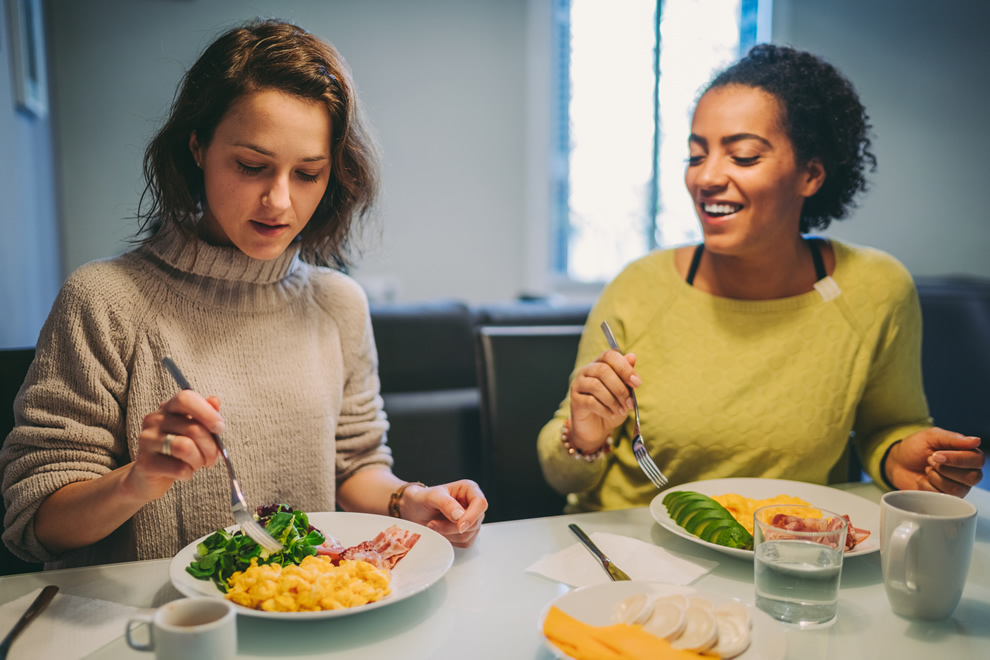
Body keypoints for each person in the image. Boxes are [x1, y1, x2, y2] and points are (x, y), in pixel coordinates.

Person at [0, 18, 486, 569]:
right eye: (252, 166)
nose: (279, 201)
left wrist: (409, 499)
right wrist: (139, 480)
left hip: (299, 616)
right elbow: (33, 522)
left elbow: (353, 468)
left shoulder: (338, 305)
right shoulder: (105, 300)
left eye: (307, 173)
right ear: (198, 146)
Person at [537, 44, 984, 513]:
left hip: (786, 558)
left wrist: (899, 459)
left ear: (810, 175)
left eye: (744, 157)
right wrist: (585, 434)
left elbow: (887, 428)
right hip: (632, 557)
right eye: (696, 156)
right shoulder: (639, 287)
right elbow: (559, 472)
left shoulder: (875, 289)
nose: (706, 177)